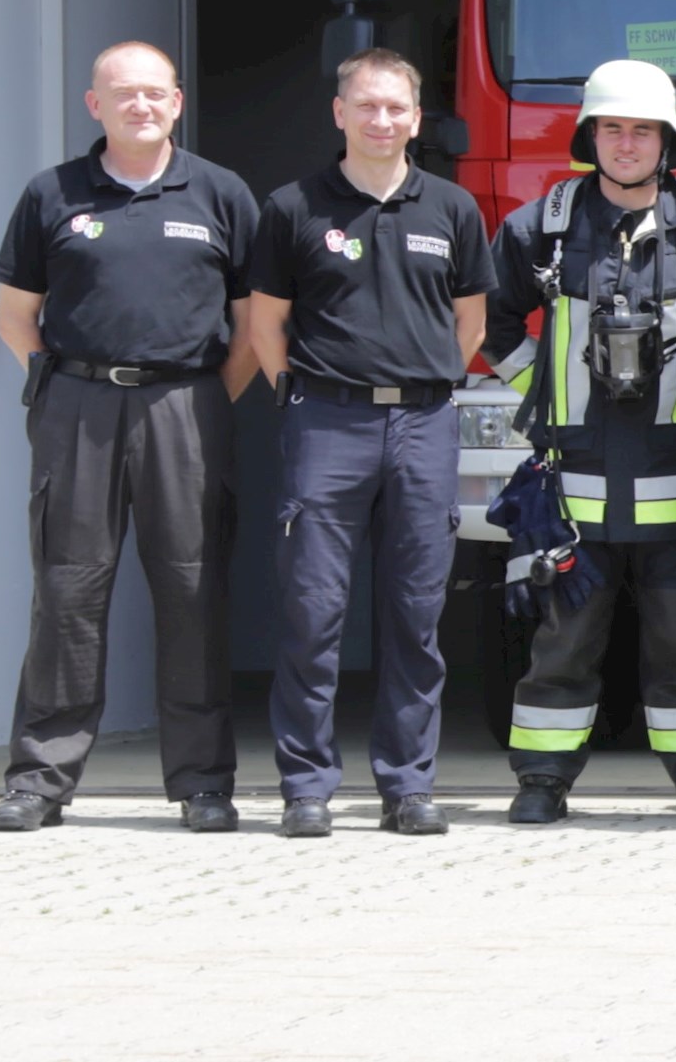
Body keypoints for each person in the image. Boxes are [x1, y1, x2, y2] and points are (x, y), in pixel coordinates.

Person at [0, 42, 262, 834]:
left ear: (177, 102)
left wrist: (205, 398)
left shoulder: (220, 193)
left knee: (192, 592)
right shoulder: (53, 194)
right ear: (93, 104)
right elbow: (15, 314)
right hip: (79, 405)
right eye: (123, 93)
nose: (140, 105)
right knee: (67, 592)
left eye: (154, 94)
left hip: (186, 405)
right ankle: (40, 779)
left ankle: (204, 782)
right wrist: (56, 389)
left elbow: (252, 326)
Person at [244, 48, 495, 838]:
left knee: (416, 614)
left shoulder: (452, 208)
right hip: (327, 422)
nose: (382, 120)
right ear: (340, 113)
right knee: (313, 610)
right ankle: (307, 786)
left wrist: (425, 388)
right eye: (367, 105)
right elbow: (263, 325)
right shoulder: (293, 207)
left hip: (424, 425)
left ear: (418, 119)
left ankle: (409, 785)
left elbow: (472, 322)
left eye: (396, 108)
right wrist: (308, 394)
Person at [485, 60, 676, 824]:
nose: (626, 143)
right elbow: (486, 323)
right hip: (576, 485)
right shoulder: (542, 227)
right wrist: (541, 389)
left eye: (642, 129)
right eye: (612, 128)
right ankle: (542, 781)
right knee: (562, 643)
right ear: (590, 135)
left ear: (668, 140)